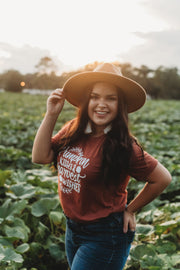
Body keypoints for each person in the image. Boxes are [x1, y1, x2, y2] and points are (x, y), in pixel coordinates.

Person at [32, 63, 171, 270]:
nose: (101, 104)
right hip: (73, 228)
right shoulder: (74, 129)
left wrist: (131, 210)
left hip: (106, 234)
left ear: (120, 104)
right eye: (95, 97)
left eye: (110, 98)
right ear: (86, 100)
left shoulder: (124, 145)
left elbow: (163, 178)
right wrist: (51, 114)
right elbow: (40, 156)